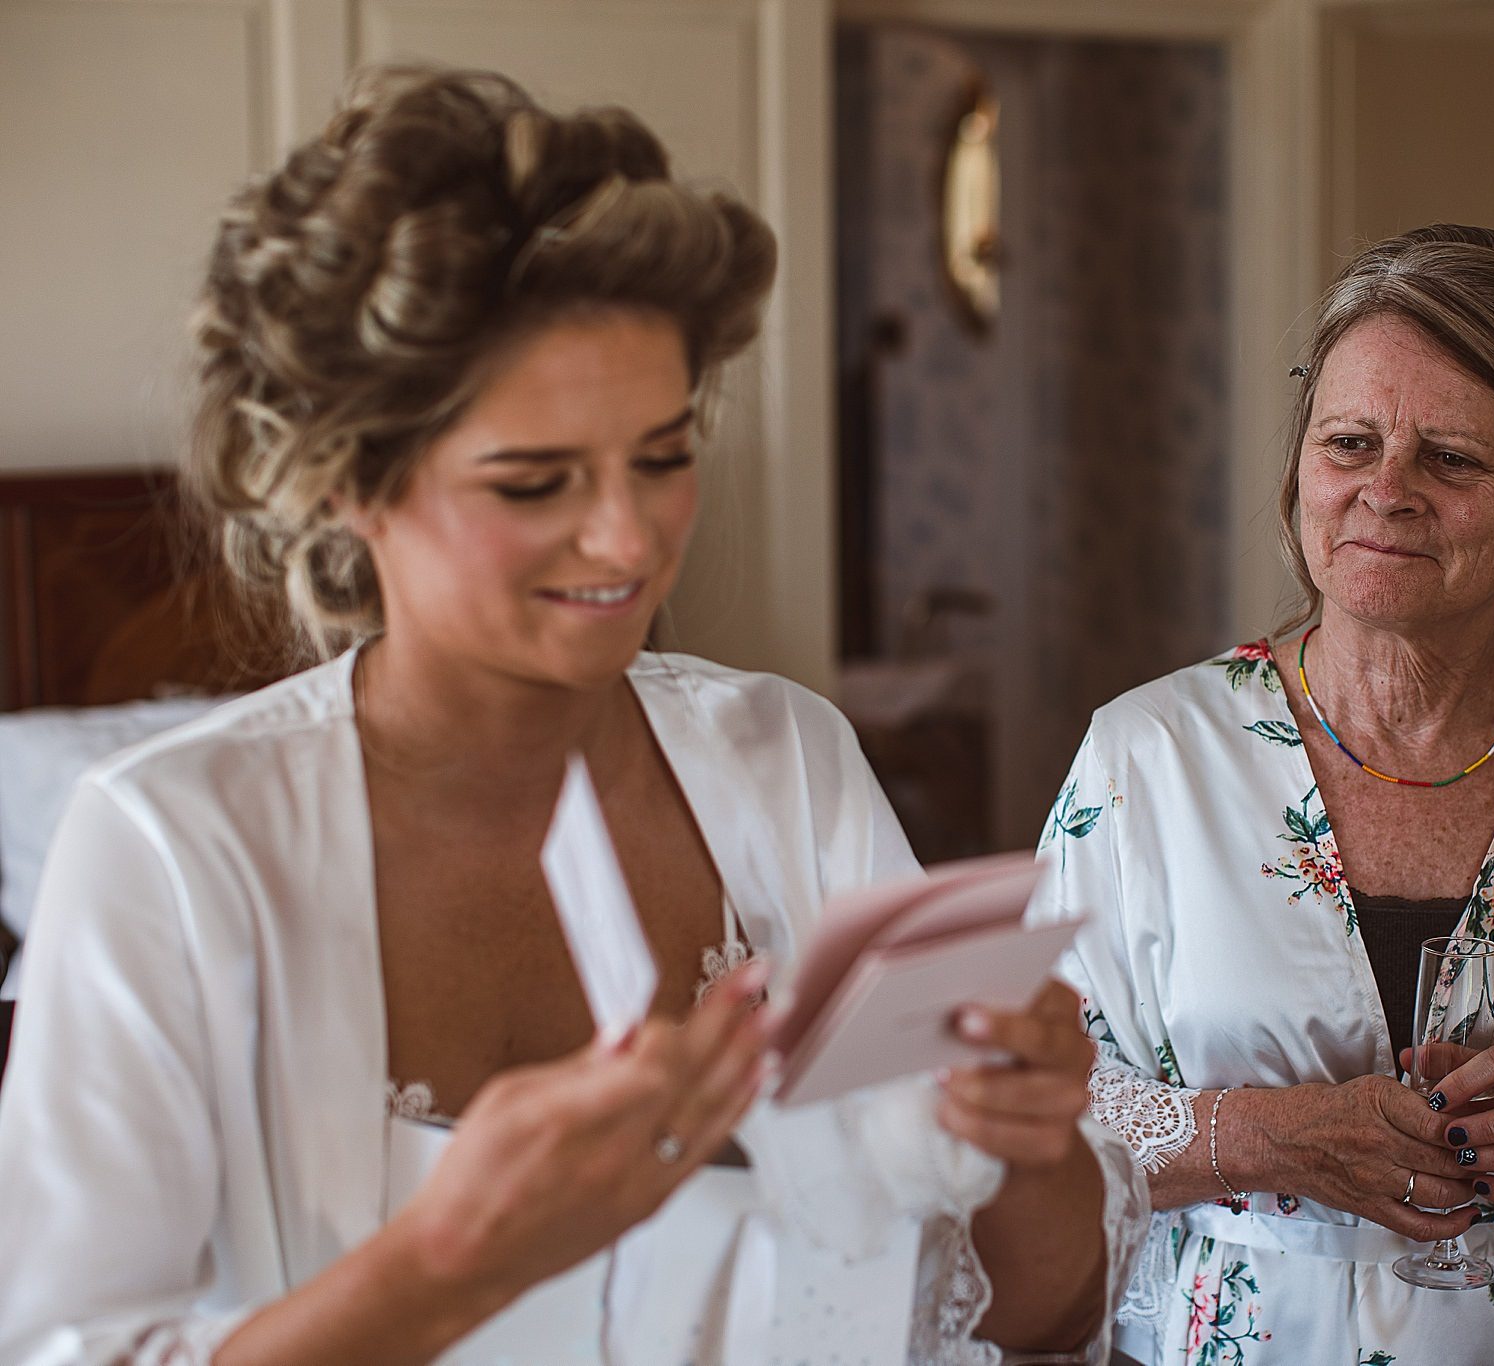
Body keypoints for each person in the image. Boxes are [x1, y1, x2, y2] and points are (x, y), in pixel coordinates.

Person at [0, 66, 1143, 1364]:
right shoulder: (167, 849)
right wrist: (448, 1263)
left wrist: (1033, 1139)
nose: (627, 538)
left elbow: (1043, 1318)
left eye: (663, 455)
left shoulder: (786, 760)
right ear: (347, 485)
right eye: (536, 480)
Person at [1034, 225, 1494, 1366]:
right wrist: (1253, 1136)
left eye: (1449, 458)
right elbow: (1027, 1105)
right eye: (1348, 442)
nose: (1383, 493)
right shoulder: (1146, 759)